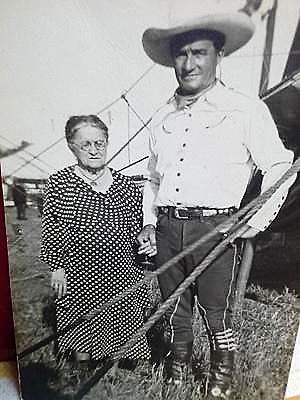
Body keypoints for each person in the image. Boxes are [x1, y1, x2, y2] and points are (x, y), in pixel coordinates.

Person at [137, 1, 295, 398]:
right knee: (174, 304)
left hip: (215, 228)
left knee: (216, 310)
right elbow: (152, 178)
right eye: (181, 53)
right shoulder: (161, 117)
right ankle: (178, 364)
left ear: (218, 56)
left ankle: (220, 375)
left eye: (199, 52)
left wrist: (252, 222)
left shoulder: (244, 108)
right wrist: (150, 222)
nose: (189, 63)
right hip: (169, 226)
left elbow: (279, 164)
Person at [40, 115, 150, 368]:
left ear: (107, 143)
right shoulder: (60, 183)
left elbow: (138, 228)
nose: (94, 150)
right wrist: (57, 267)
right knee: (80, 320)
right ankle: (82, 367)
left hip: (122, 270)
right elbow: (53, 227)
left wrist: (146, 243)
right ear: (71, 146)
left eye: (99, 143)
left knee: (121, 317)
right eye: (86, 144)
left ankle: (114, 368)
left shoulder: (127, 187)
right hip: (79, 272)